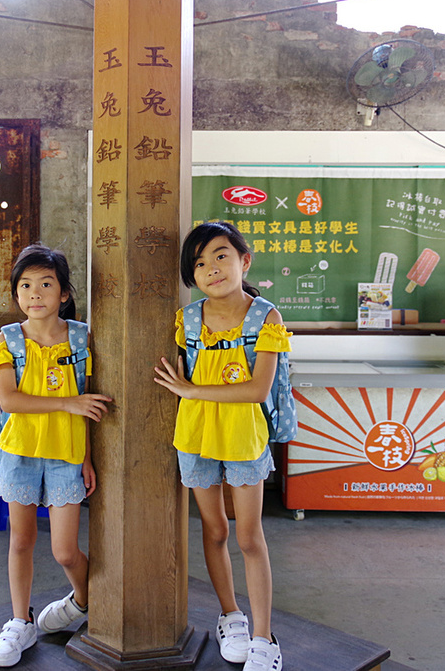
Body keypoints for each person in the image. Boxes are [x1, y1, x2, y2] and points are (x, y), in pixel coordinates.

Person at [154, 221, 291, 671]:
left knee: (250, 536)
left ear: (243, 260)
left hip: (243, 437)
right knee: (214, 531)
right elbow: (177, 372)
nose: (210, 268)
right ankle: (230, 615)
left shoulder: (266, 316)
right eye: (198, 263)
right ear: (190, 277)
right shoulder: (187, 319)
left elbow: (256, 389)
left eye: (219, 255)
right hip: (195, 437)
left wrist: (193, 391)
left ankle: (264, 637)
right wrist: (188, 393)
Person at [0, 244, 112, 667]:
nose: (35, 293)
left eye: (45, 284)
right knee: (21, 540)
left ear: (63, 293)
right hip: (21, 452)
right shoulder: (8, 340)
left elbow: (90, 409)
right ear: (16, 294)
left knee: (64, 551)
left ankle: (83, 602)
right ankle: (20, 622)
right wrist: (67, 403)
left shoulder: (81, 336)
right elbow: (9, 400)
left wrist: (88, 457)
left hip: (67, 454)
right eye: (25, 285)